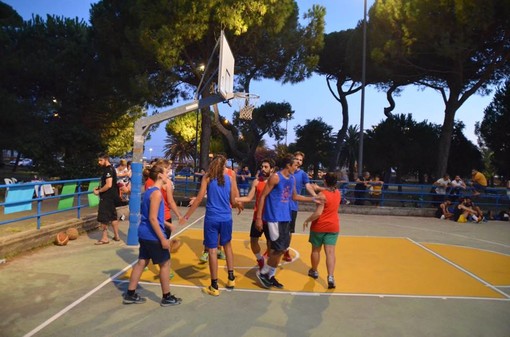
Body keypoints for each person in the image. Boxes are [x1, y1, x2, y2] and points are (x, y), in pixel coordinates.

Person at [255, 154, 321, 289]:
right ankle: (263, 273)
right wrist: (259, 218)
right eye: (295, 164)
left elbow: (295, 196)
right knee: (277, 248)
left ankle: (270, 275)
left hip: (286, 217)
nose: (297, 166)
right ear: (288, 165)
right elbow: (262, 197)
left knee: (283, 249)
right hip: (274, 218)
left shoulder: (291, 179)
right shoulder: (275, 177)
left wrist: (313, 199)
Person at [180, 155, 241, 296]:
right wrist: (238, 204)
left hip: (212, 218)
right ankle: (231, 278)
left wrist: (187, 216)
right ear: (224, 166)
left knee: (212, 251)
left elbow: (199, 198)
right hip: (226, 218)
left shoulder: (207, 178)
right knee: (228, 246)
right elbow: (233, 200)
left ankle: (214, 286)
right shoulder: (230, 179)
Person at [123, 163, 182, 306]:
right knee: (165, 264)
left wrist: (167, 224)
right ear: (160, 175)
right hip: (152, 235)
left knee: (142, 262)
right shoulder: (156, 193)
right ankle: (166, 297)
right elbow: (152, 218)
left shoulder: (149, 190)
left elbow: (150, 215)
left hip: (144, 233)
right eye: (166, 171)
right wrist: (162, 238)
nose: (168, 173)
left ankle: (130, 294)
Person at [235, 158, 275, 271]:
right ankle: (260, 260)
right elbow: (248, 197)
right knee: (253, 241)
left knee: (270, 244)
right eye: (262, 166)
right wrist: (235, 199)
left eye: (266, 167)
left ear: (272, 169)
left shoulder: (276, 182)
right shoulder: (257, 182)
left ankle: (269, 266)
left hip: (270, 218)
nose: (263, 169)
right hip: (257, 217)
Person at [302, 172, 341, 289]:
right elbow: (330, 189)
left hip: (319, 226)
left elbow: (318, 213)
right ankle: (330, 276)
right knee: (330, 253)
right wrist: (318, 188)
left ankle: (314, 271)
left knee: (316, 250)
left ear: (325, 181)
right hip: (333, 226)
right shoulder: (338, 193)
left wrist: (307, 220)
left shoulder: (322, 195)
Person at [144, 159, 183, 255]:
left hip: (151, 218)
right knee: (164, 245)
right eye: (168, 170)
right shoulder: (166, 183)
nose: (169, 172)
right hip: (163, 217)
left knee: (149, 246)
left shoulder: (148, 182)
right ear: (162, 172)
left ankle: (145, 261)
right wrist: (179, 215)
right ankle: (166, 265)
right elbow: (170, 201)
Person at [286, 151, 318, 262]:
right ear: (292, 159)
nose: (298, 161)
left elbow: (308, 186)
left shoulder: (302, 174)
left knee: (289, 231)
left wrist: (315, 196)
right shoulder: (287, 171)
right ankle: (276, 248)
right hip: (282, 205)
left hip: (293, 206)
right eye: (297, 159)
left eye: (300, 160)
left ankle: (285, 250)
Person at [93, 153, 121, 244]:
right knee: (113, 216)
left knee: (103, 218)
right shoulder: (112, 168)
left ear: (106, 159)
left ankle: (105, 238)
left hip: (106, 198)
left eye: (101, 160)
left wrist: (99, 191)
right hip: (112, 197)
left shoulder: (108, 170)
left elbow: (108, 184)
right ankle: (117, 236)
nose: (99, 162)